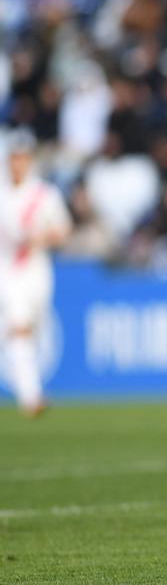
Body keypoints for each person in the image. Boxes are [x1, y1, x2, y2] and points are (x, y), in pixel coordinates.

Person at [0, 129, 72, 417]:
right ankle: (31, 397)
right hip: (7, 270)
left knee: (32, 327)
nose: (17, 164)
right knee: (20, 325)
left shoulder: (43, 194)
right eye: (13, 158)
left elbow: (63, 231)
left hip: (36, 270)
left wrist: (40, 238)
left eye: (22, 158)